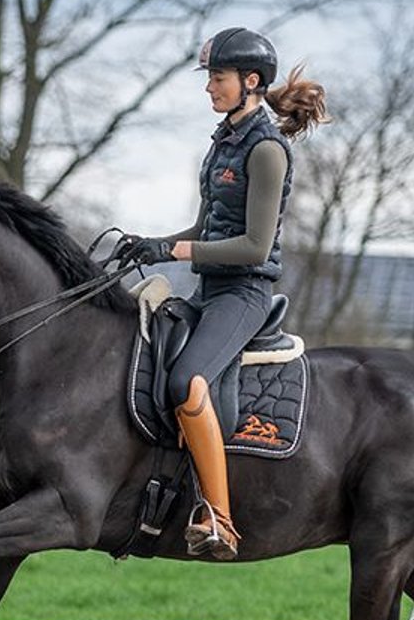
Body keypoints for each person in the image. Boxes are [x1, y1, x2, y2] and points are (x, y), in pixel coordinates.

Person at [115, 27, 329, 560]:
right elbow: (202, 229)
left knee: (188, 382)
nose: (209, 88)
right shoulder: (222, 145)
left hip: (245, 294)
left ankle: (220, 519)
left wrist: (184, 255)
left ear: (249, 82)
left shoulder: (266, 150)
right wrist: (153, 246)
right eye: (210, 78)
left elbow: (255, 247)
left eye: (218, 78)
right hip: (209, 291)